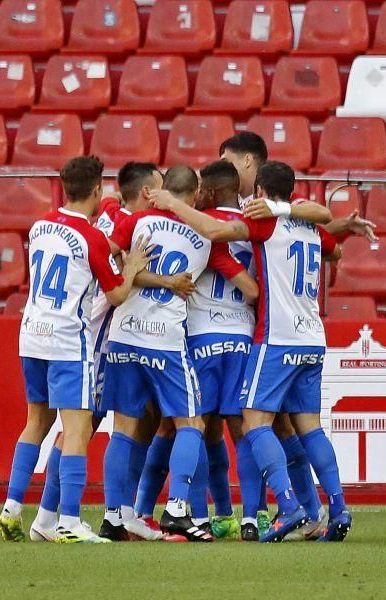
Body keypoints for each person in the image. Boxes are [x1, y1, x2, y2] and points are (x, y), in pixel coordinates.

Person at [151, 161, 353, 543]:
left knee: (254, 422)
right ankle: (339, 508)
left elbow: (213, 230)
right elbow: (334, 248)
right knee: (310, 427)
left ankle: (289, 505)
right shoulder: (307, 224)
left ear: (259, 191)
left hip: (276, 337)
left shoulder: (265, 222)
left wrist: (171, 202)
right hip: (312, 337)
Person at [28, 162, 195, 542]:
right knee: (80, 430)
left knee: (100, 428)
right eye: (156, 190)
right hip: (96, 342)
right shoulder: (121, 229)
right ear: (143, 194)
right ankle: (58, 517)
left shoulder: (110, 218)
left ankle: (64, 516)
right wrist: (163, 278)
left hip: (97, 339)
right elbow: (117, 284)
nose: (160, 197)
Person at [0, 156, 154, 544]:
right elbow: (116, 294)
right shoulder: (92, 238)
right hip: (68, 341)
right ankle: (69, 519)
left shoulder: (40, 226)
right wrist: (132, 266)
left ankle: (13, 508)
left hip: (31, 334)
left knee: (36, 422)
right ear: (98, 191)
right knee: (77, 429)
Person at [99, 165, 254, 542]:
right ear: (195, 192)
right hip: (166, 341)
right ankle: (178, 510)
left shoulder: (137, 221)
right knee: (191, 424)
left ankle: (112, 515)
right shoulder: (205, 237)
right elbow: (247, 287)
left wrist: (131, 271)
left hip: (124, 334)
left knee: (123, 429)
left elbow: (102, 255)